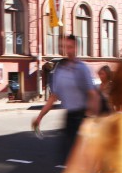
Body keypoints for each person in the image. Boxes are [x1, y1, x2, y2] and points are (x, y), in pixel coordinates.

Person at [32, 34, 100, 163]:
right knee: (68, 158)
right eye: (65, 47)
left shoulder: (82, 69)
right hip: (69, 118)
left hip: (82, 118)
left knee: (82, 159)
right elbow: (53, 97)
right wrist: (39, 117)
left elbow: (93, 95)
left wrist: (93, 120)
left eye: (70, 47)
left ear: (76, 48)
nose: (68, 50)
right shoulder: (61, 70)